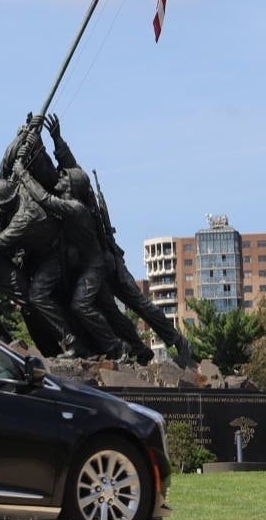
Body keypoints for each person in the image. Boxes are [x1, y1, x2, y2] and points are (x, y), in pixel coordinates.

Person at [44, 114, 193, 367]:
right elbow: (72, 168)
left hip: (110, 260)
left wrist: (58, 141)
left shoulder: (81, 199)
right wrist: (56, 140)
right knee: (111, 312)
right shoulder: (76, 193)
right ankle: (138, 349)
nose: (60, 178)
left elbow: (74, 169)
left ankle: (177, 340)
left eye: (64, 178)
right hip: (95, 265)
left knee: (139, 304)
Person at [13, 158, 126, 361]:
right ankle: (88, 347)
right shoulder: (72, 205)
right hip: (77, 266)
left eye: (65, 177)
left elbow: (45, 199)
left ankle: (116, 347)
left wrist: (23, 174)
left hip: (93, 267)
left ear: (73, 187)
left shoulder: (76, 208)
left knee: (80, 305)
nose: (60, 177)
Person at [0, 177, 68, 356]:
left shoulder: (24, 216)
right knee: (29, 307)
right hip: (36, 256)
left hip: (54, 256)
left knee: (37, 297)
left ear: (5, 203)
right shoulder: (20, 191)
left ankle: (71, 340)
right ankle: (51, 350)